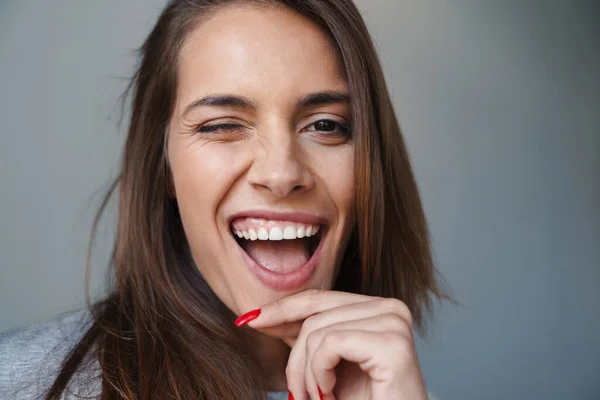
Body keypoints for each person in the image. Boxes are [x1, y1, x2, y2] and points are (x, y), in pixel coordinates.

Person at [0, 0, 447, 399]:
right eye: (221, 125)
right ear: (164, 168)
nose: (281, 174)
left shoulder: (396, 388)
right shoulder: (22, 383)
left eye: (326, 125)